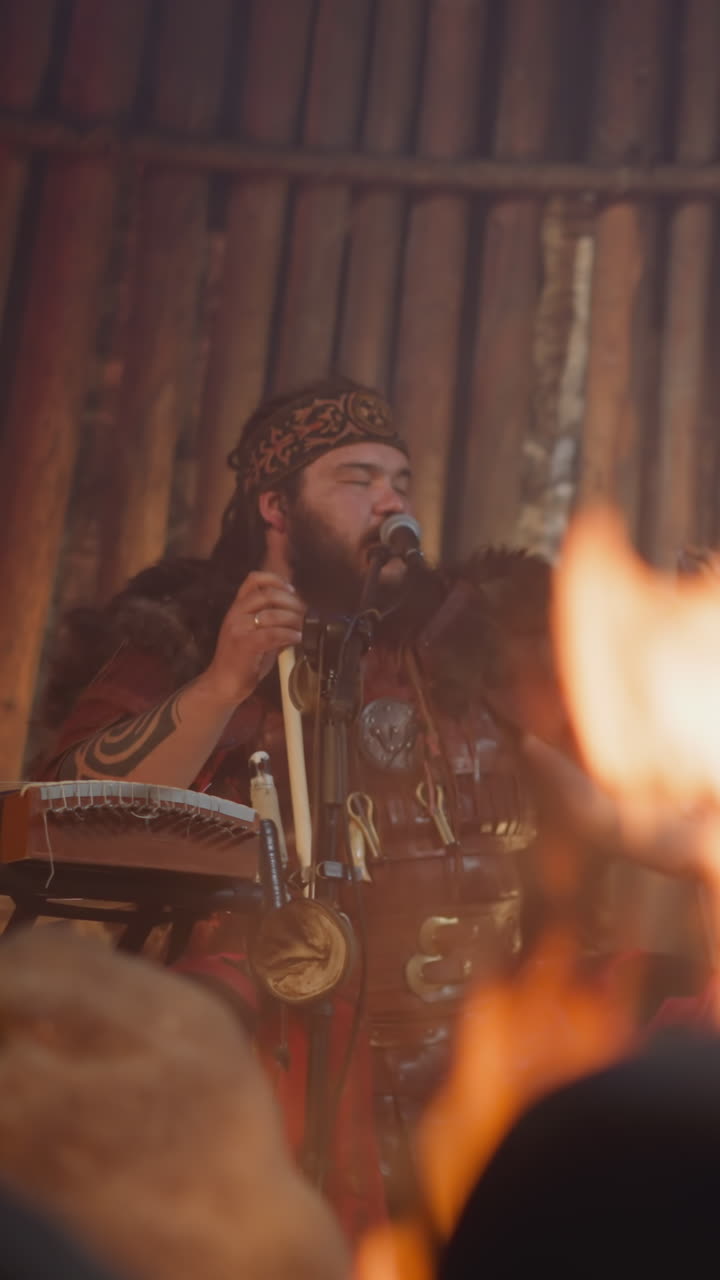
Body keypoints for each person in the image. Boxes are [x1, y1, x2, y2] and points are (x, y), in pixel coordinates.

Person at [36, 376, 556, 1233]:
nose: (390, 498)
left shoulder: (454, 646)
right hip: (270, 1077)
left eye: (399, 479)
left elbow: (587, 802)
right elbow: (63, 817)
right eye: (357, 478)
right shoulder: (187, 633)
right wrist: (221, 684)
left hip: (468, 1070)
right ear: (276, 506)